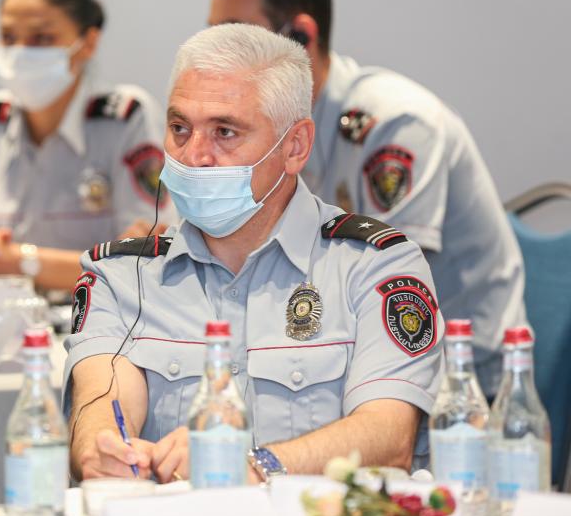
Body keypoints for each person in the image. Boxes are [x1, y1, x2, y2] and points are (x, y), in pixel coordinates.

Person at [64, 24, 444, 483]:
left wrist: (251, 466)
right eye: (180, 128)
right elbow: (102, 405)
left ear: (295, 147)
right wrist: (102, 450)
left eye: (225, 132)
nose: (194, 155)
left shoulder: (375, 266)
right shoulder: (121, 274)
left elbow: (387, 436)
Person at [204, 0, 524, 397]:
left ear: (300, 36)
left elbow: (388, 285)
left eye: (236, 39)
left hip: (462, 386)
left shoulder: (397, 125)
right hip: (338, 357)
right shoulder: (264, 128)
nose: (217, 60)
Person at [0, 0, 173, 292]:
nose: (21, 52)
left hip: (92, 318)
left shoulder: (125, 118)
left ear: (88, 42)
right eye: (8, 38)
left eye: (42, 38)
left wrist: (18, 261)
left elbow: (144, 264)